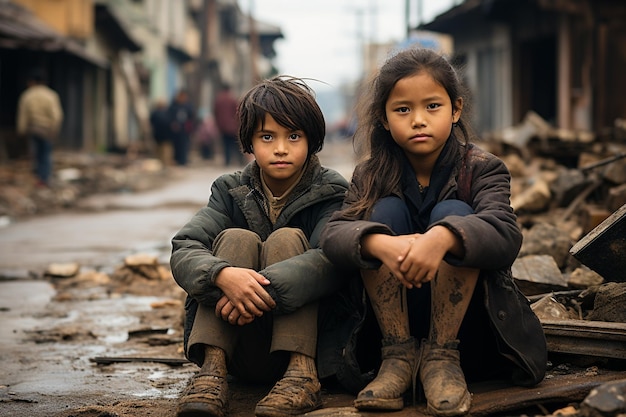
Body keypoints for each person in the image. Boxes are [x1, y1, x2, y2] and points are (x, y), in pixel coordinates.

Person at [320, 47, 547, 416]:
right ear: (384, 118)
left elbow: (505, 234)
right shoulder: (370, 174)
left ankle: (440, 357)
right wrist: (380, 244)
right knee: (382, 213)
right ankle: (399, 357)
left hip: (467, 333)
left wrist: (443, 237)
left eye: (432, 106)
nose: (418, 120)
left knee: (454, 213)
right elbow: (333, 235)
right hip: (386, 334)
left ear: (455, 109)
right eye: (403, 109)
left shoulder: (483, 169)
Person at [170, 76, 350, 417]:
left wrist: (257, 289)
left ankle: (301, 377)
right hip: (240, 345)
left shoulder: (331, 191)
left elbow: (331, 259)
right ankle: (212, 371)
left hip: (312, 348)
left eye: (293, 136)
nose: (280, 148)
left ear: (311, 141)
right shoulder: (230, 190)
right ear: (249, 141)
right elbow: (186, 246)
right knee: (236, 239)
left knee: (287, 239)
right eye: (267, 137)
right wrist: (223, 277)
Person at [16, 67, 64, 186]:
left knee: (36, 154)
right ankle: (45, 178)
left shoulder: (27, 95)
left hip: (33, 129)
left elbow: (23, 115)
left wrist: (21, 130)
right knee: (46, 154)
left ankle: (39, 178)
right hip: (46, 130)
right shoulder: (51, 95)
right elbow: (57, 115)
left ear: (32, 81)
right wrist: (55, 129)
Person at [213, 82, 244, 166]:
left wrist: (218, 124)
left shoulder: (218, 100)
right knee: (236, 144)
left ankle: (227, 161)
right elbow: (237, 112)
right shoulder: (232, 99)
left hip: (222, 126)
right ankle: (240, 161)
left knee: (226, 144)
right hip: (233, 126)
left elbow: (215, 113)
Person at [168, 89, 196, 166]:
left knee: (185, 145)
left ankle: (183, 160)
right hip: (176, 129)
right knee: (176, 145)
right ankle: (177, 160)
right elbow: (170, 115)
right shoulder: (174, 105)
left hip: (185, 129)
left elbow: (191, 116)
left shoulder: (188, 105)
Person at [149, 98, 173, 167]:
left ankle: (161, 164)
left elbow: (151, 123)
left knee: (160, 151)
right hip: (165, 136)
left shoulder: (155, 113)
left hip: (159, 135)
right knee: (165, 152)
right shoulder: (167, 113)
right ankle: (165, 164)